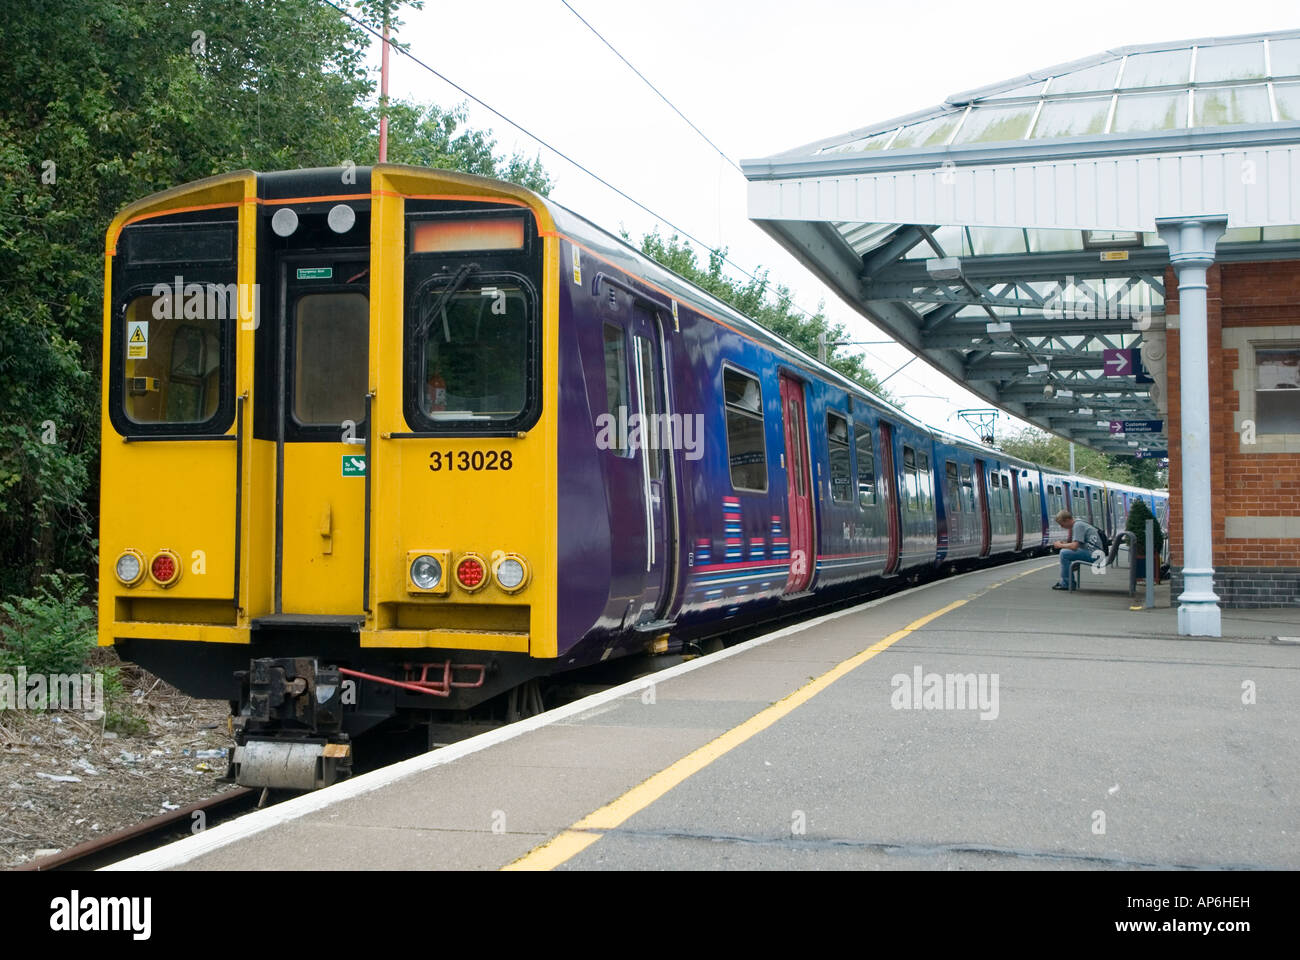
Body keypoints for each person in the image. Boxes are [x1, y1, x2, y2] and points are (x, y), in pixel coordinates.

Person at [1051, 509, 1105, 591]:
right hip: (1096, 553)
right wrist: (1065, 544)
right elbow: (1078, 544)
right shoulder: (1079, 523)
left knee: (1064, 553)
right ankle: (1067, 581)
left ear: (1068, 520)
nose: (1062, 527)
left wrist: (1060, 545)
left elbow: (1074, 546)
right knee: (1066, 552)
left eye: (1062, 524)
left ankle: (1067, 583)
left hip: (1095, 555)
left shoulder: (1077, 526)